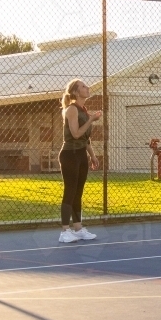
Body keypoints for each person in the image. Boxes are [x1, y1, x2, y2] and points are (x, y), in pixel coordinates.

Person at [58, 79, 101, 244]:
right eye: (83, 86)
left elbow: (85, 138)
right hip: (70, 154)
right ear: (76, 92)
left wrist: (92, 155)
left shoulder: (84, 110)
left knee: (78, 193)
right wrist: (91, 120)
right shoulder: (71, 110)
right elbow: (76, 134)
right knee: (70, 192)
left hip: (81, 154)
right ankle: (64, 231)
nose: (87, 88)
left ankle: (78, 228)